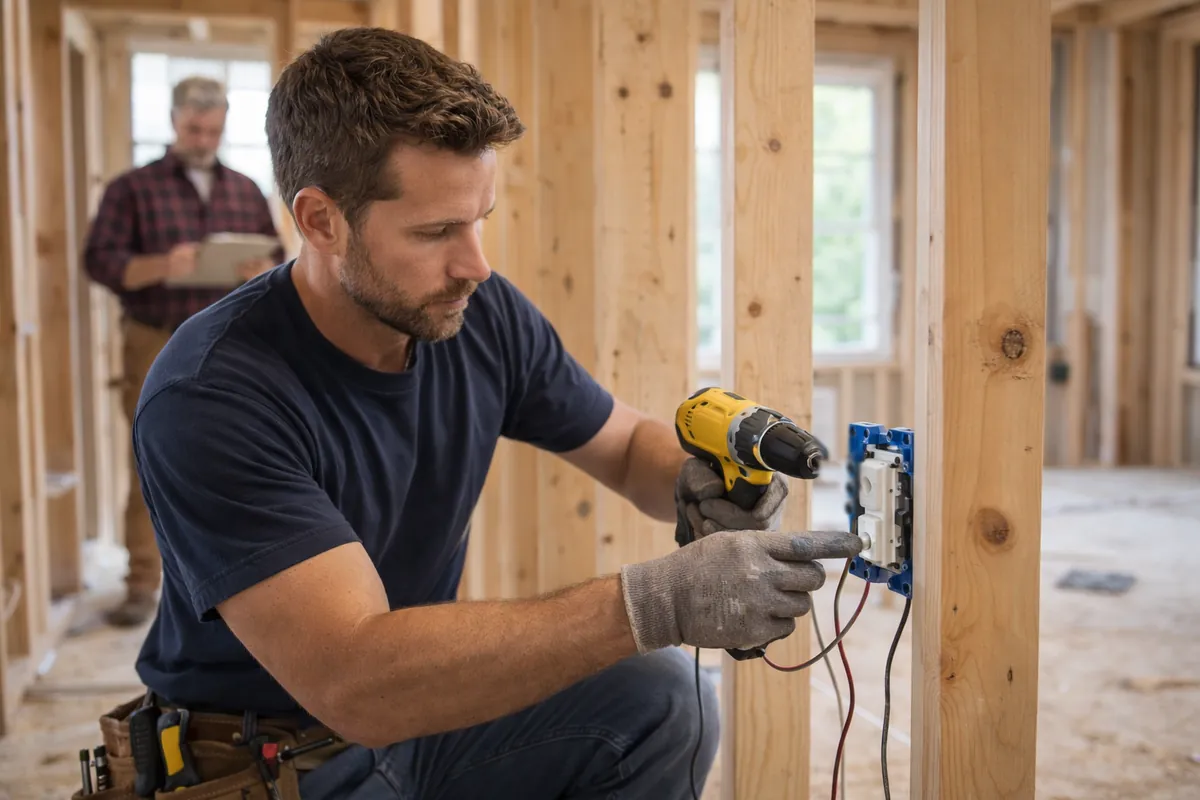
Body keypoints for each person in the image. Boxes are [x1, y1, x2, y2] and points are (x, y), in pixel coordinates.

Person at [127, 28, 863, 799]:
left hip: (422, 729)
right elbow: (355, 679)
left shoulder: (475, 313)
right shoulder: (213, 393)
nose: (475, 263)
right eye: (437, 231)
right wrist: (657, 600)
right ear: (321, 222)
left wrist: (691, 478)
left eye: (480, 218)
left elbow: (618, 445)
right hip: (273, 764)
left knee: (661, 698)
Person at [83, 75, 284, 626]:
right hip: (154, 334)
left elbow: (279, 259)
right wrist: (157, 267)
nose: (203, 138)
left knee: (235, 453)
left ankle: (230, 582)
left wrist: (259, 270)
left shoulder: (245, 189)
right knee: (149, 458)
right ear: (174, 121)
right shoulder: (132, 188)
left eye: (214, 129)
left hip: (232, 338)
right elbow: (99, 260)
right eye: (194, 128)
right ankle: (141, 584)